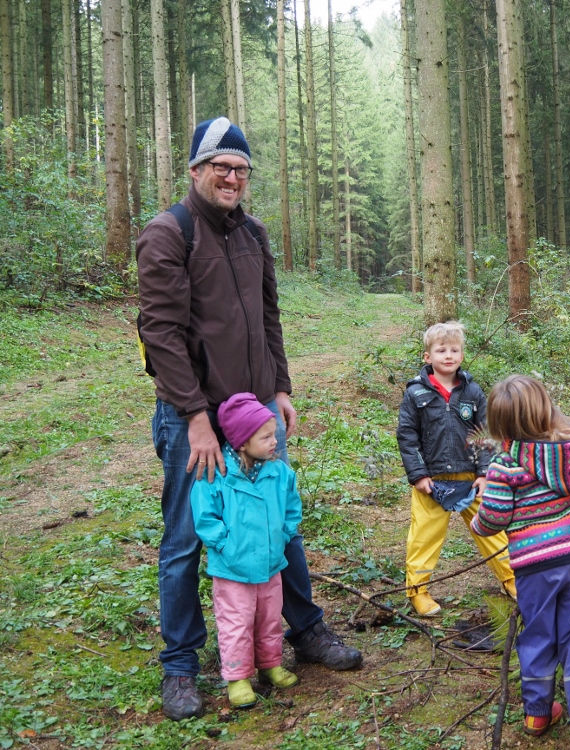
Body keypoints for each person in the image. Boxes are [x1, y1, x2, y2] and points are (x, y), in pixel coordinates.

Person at [137, 116, 362, 722]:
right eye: (221, 167)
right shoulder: (169, 234)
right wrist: (193, 418)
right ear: (196, 171)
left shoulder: (253, 234)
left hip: (257, 411)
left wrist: (280, 386)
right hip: (199, 417)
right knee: (187, 539)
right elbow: (159, 334)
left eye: (241, 169)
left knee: (278, 523)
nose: (233, 177)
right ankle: (181, 665)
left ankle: (305, 630)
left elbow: (269, 317)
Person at [471, 375, 570, 748]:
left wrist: (476, 517)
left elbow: (492, 521)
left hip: (534, 567)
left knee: (538, 635)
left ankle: (537, 712)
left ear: (499, 424)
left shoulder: (503, 466)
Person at [396, 321, 517, 617]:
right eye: (441, 350)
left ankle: (513, 580)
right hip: (432, 479)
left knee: (492, 529)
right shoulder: (415, 394)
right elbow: (407, 435)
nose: (448, 355)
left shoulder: (473, 392)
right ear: (428, 357)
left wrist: (484, 473)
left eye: (454, 350)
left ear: (462, 355)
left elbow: (486, 432)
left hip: (471, 477)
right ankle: (418, 590)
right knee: (424, 536)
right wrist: (419, 475)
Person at [191, 393, 302, 709]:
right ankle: (238, 677)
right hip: (232, 570)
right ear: (241, 442)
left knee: (269, 618)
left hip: (270, 565)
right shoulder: (219, 475)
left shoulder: (279, 472)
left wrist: (283, 535)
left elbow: (292, 507)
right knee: (236, 623)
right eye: (265, 437)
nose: (274, 442)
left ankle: (270, 665)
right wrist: (223, 544)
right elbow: (204, 514)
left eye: (273, 434)